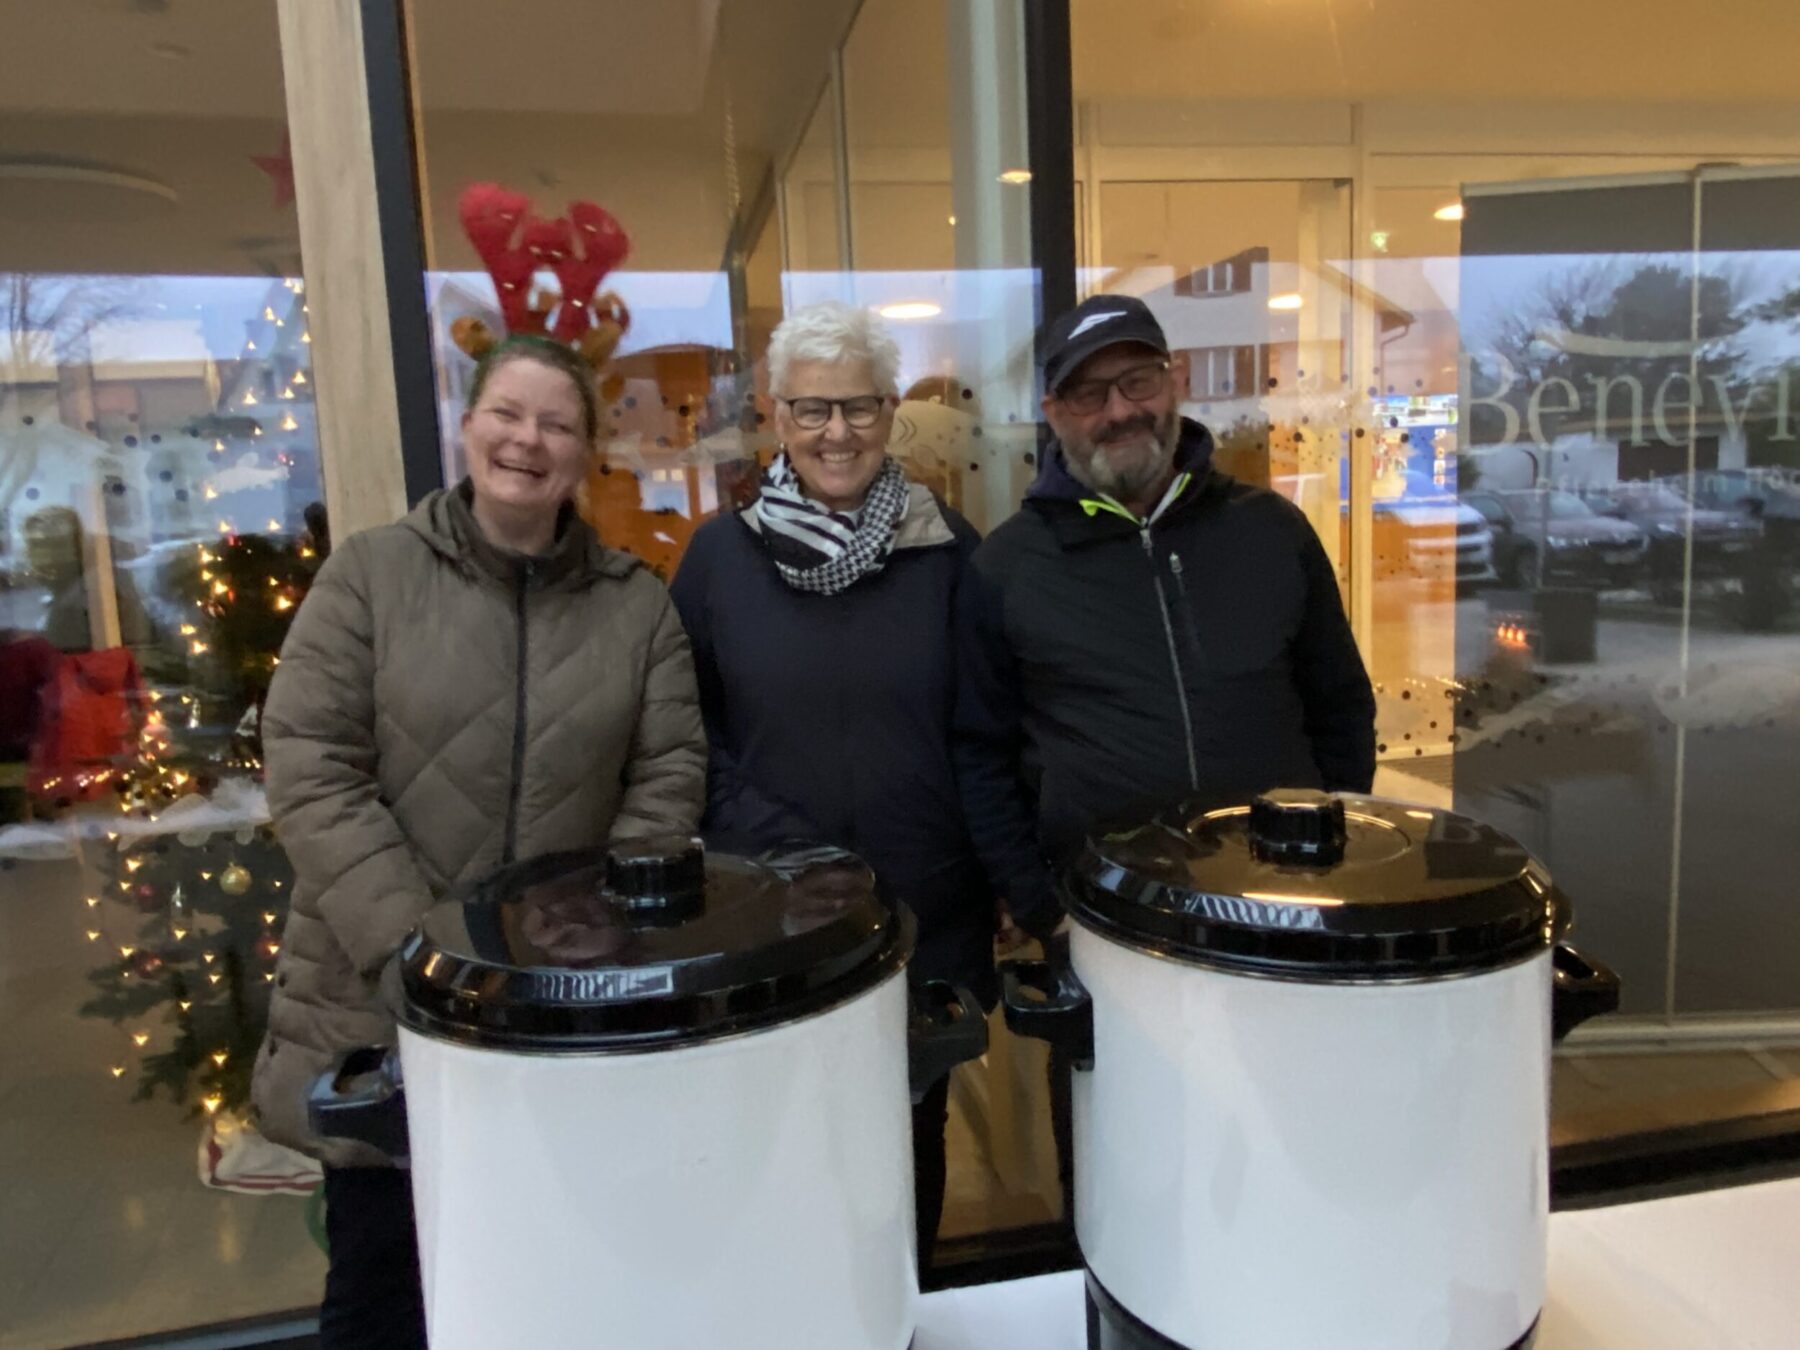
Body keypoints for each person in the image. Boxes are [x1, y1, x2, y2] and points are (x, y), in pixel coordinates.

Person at [251, 334, 707, 1350]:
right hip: (379, 1001)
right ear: (467, 426)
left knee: (558, 1283)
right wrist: (419, 953)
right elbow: (312, 761)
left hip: (558, 1009)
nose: (527, 440)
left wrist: (591, 934)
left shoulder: (635, 605)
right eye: (507, 413)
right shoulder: (369, 576)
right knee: (384, 1291)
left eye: (556, 424)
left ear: (585, 452)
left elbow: (669, 771)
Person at [957, 294, 1378, 1206]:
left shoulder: (1270, 532)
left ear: (1176, 381)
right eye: (1088, 394)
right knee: (1125, 1179)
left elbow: (1341, 703)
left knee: (1289, 1160)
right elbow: (979, 757)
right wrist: (1044, 907)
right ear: (1054, 413)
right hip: (1110, 937)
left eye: (1137, 381)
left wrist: (1331, 850)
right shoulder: (1006, 570)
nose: (1119, 411)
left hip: (1281, 928)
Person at [669, 302, 1010, 1272]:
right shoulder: (717, 562)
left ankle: (898, 1319)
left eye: (859, 407)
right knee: (779, 1162)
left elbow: (987, 732)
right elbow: (686, 741)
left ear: (891, 412)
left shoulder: (947, 552)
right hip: (769, 917)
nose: (837, 433)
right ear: (777, 418)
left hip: (923, 914)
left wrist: (1001, 880)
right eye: (812, 410)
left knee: (906, 1155)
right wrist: (781, 852)